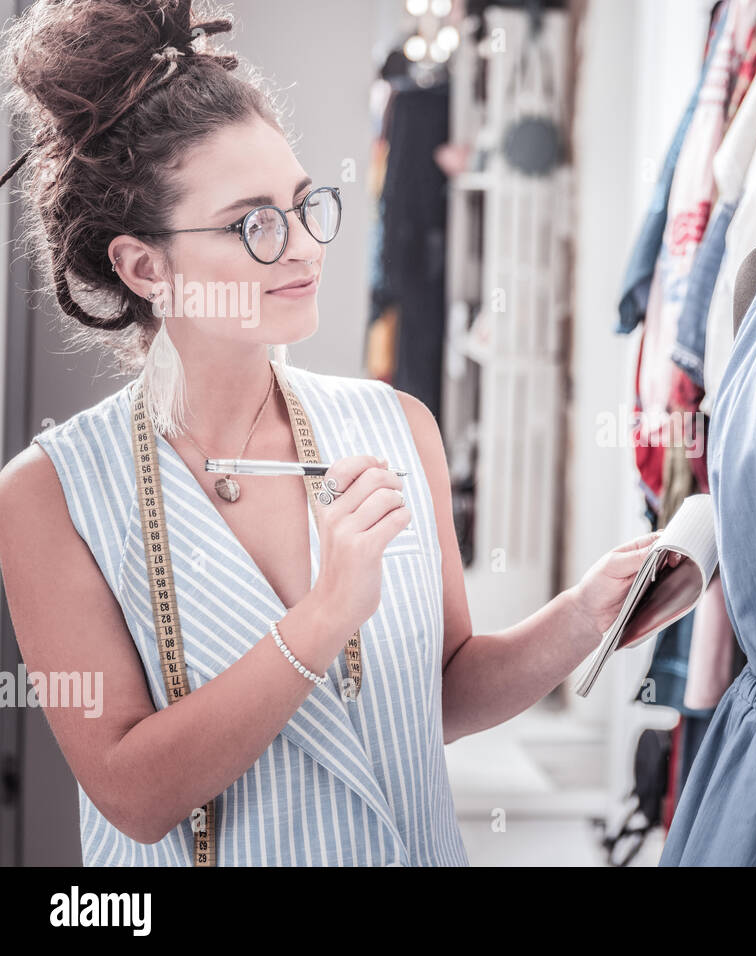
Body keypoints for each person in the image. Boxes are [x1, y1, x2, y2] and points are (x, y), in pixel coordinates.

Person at [0, 0, 658, 866]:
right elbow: (133, 795)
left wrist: (586, 616)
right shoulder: (52, 491)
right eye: (253, 224)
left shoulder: (395, 428)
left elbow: (441, 695)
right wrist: (323, 619)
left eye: (306, 206)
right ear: (144, 265)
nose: (306, 248)